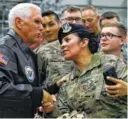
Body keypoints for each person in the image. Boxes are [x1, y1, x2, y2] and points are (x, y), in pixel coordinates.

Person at [52, 23, 127, 118]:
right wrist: (50, 109)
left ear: (83, 42)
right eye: (61, 42)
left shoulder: (111, 63)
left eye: (67, 40)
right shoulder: (66, 81)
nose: (62, 45)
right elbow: (61, 113)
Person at [0, 3, 60, 118]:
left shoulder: (26, 52)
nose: (42, 28)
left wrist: (50, 90)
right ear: (19, 22)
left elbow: (22, 86)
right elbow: (2, 88)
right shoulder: (5, 49)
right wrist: (38, 94)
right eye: (37, 22)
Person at [37, 10, 73, 87]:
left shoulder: (72, 45)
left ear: (60, 24)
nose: (47, 29)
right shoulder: (38, 51)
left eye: (51, 24)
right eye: (43, 26)